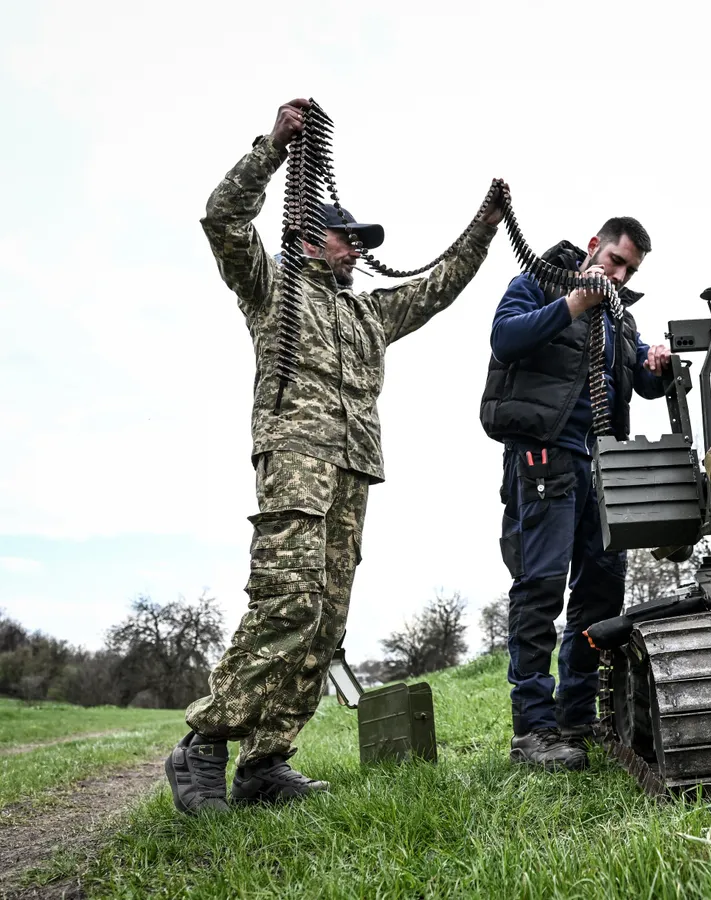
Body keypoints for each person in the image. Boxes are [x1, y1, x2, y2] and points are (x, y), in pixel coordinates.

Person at [166, 98, 504, 814]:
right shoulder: (273, 287)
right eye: (347, 238)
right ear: (313, 239)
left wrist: (485, 225)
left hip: (353, 473)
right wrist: (271, 147)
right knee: (286, 603)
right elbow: (222, 219)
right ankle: (204, 743)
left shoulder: (366, 314)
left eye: (358, 241)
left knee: (324, 623)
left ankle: (266, 764)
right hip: (295, 459)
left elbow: (437, 288)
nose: (356, 248)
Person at [480, 218, 670, 770]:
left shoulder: (620, 316)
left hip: (604, 465)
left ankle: (577, 717)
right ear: (594, 246)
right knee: (540, 587)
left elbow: (632, 380)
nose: (620, 273)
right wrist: (574, 305)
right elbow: (505, 338)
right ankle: (533, 730)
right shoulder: (539, 283)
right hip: (546, 457)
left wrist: (656, 366)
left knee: (601, 593)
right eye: (616, 260)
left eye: (630, 269)